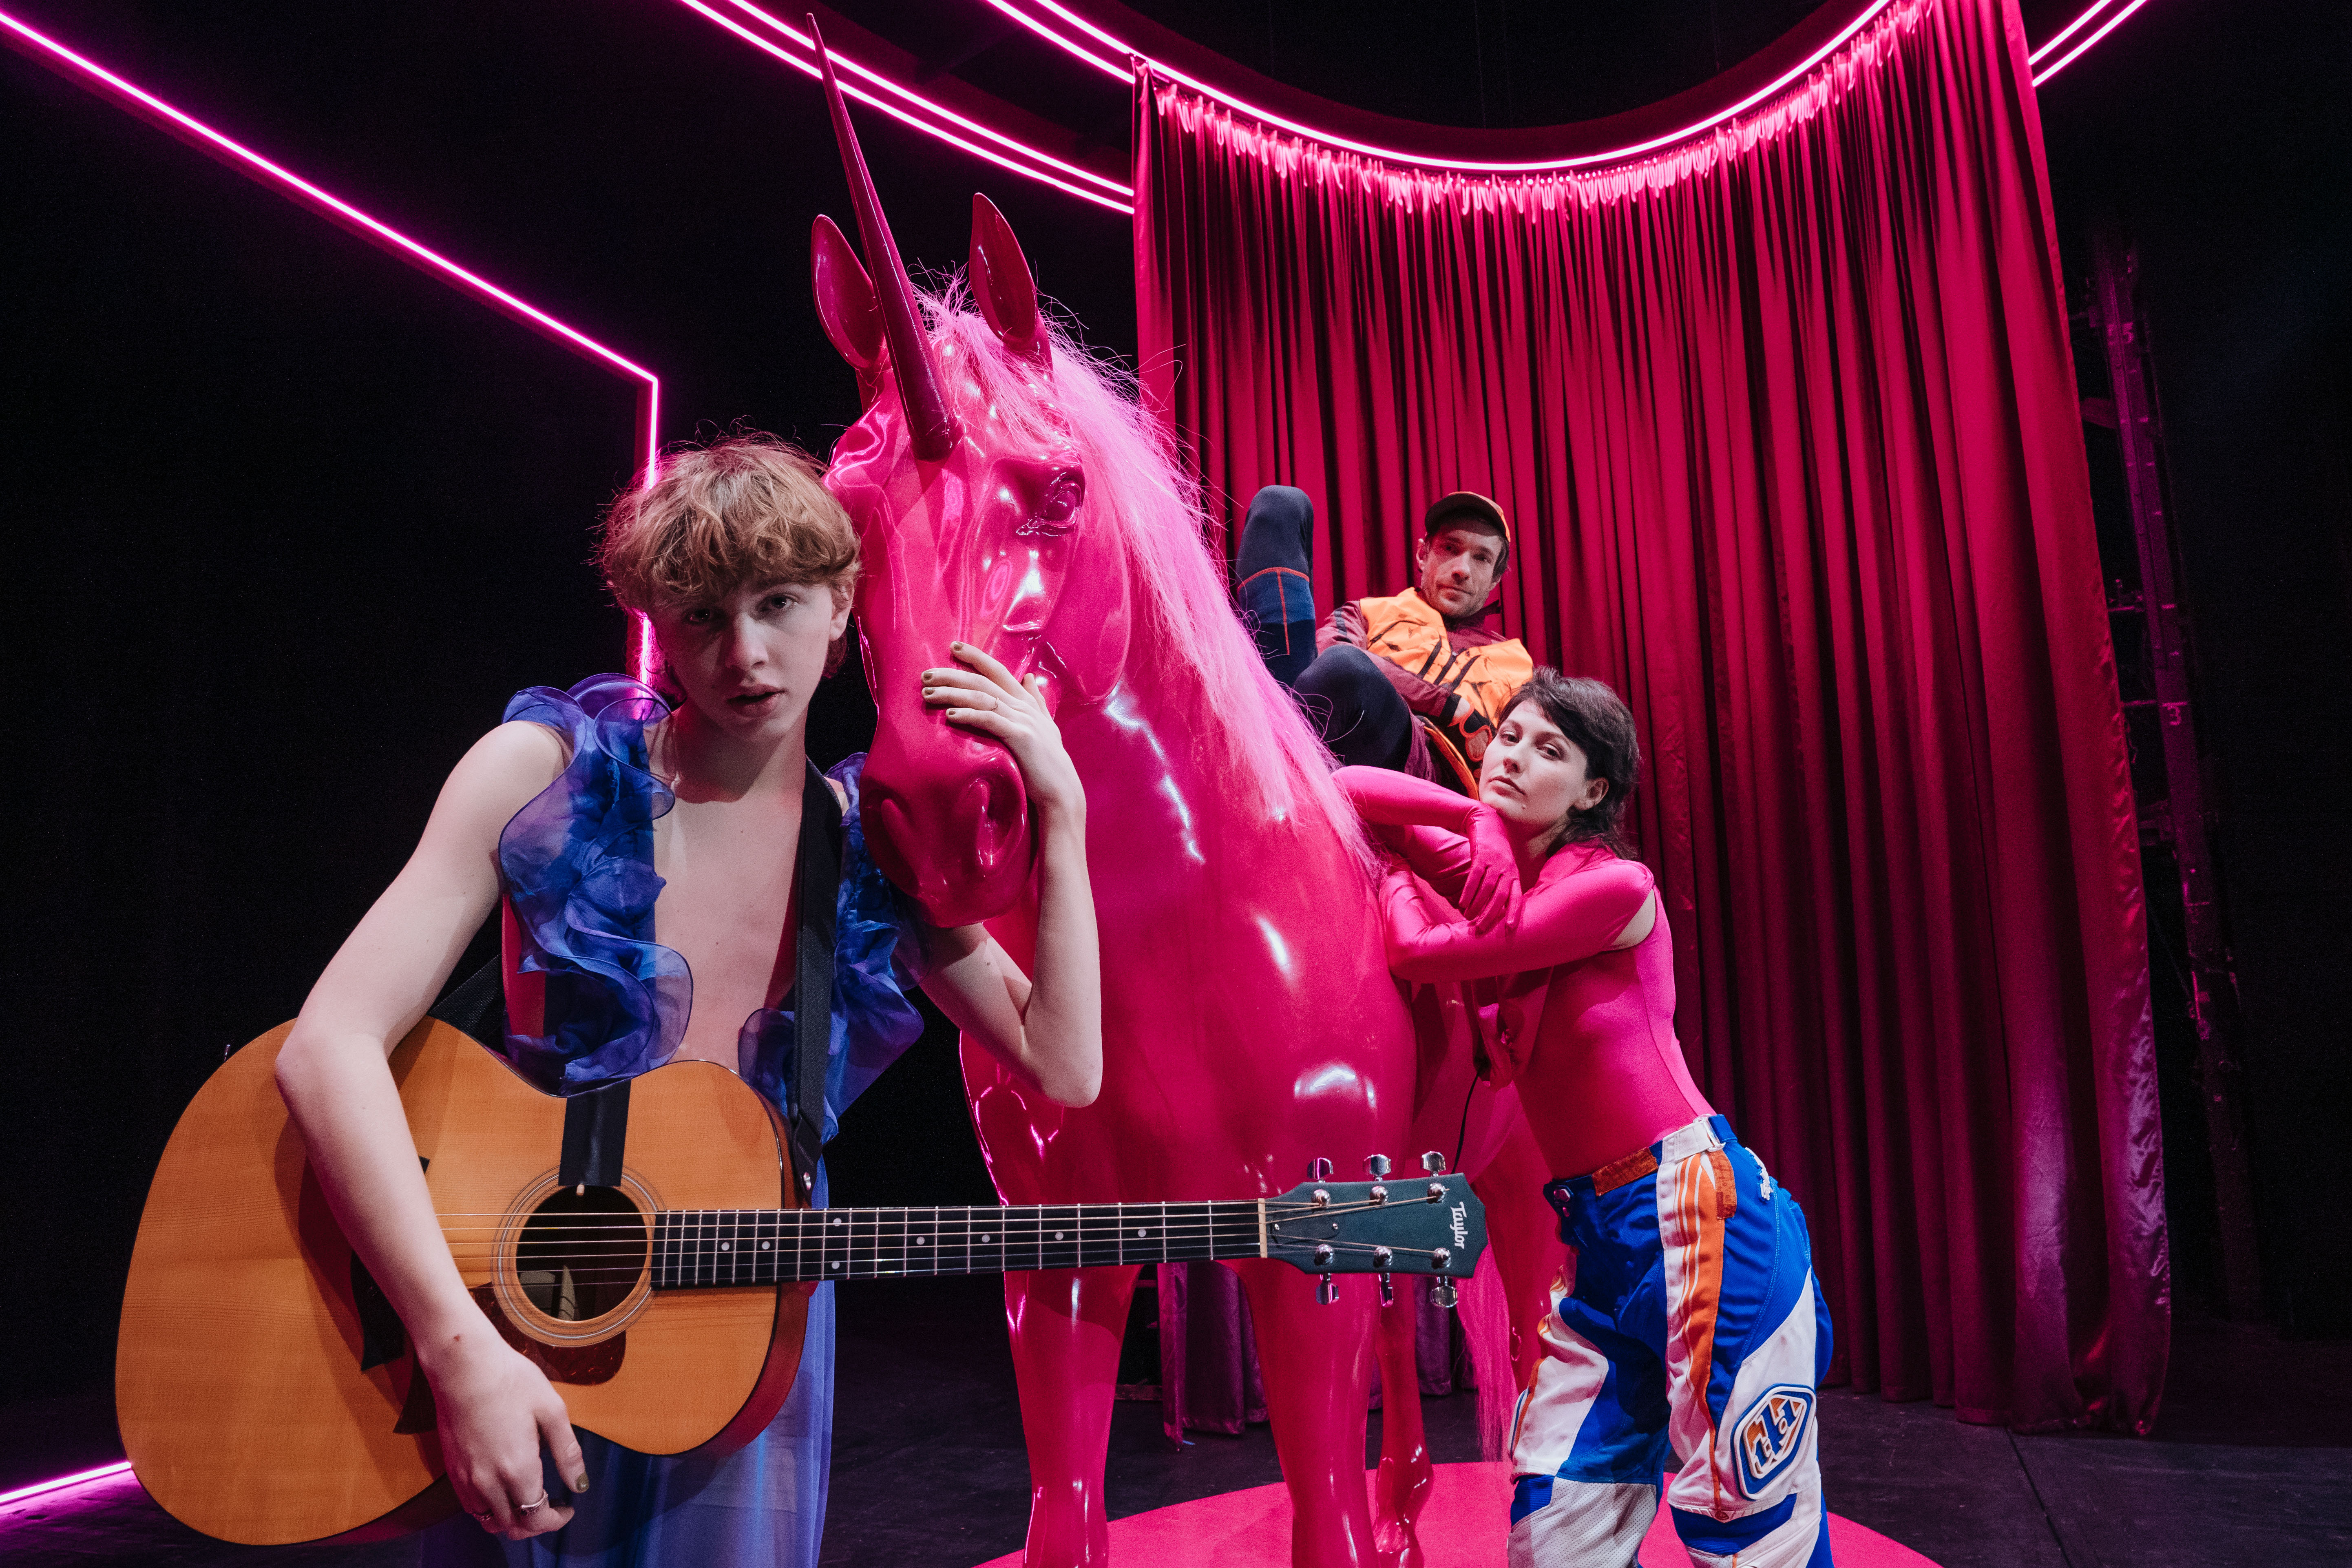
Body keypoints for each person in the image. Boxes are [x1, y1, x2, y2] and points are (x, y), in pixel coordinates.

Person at [272, 434, 1102, 1567]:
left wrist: (1063, 813)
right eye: (704, 615)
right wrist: (458, 1350)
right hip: (505, 1309)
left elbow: (1066, 1063)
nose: (744, 652)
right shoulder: (544, 774)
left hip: (739, 1328)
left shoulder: (869, 849)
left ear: (844, 606)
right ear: (658, 626)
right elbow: (327, 1044)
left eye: (779, 603)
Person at [1337, 670, 1836, 1568]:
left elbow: (1418, 951)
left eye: (1549, 751)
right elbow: (1347, 788)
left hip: (1696, 1211)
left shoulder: (1614, 888)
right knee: (1558, 1524)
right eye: (1509, 737)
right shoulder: (1498, 875)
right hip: (1599, 1233)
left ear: (1592, 791)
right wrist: (1475, 820)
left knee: (1747, 1524)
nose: (1515, 758)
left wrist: (1410, 866)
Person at [1236, 487, 1532, 785]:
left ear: (1495, 579)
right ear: (1422, 554)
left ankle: (1271, 758)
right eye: (1450, 548)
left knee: (1345, 669)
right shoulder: (1368, 612)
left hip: (1435, 779)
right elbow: (1326, 665)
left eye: (1481, 558)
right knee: (1281, 504)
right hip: (1331, 732)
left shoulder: (1518, 664)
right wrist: (1448, 707)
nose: (1462, 570)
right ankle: (1280, 758)